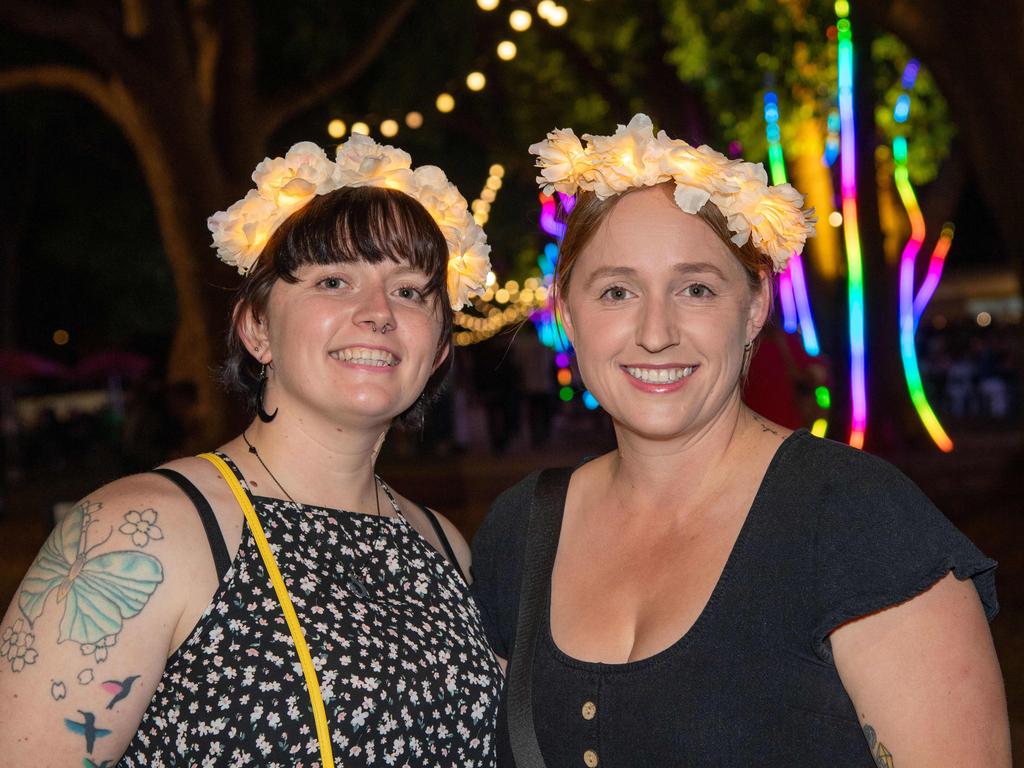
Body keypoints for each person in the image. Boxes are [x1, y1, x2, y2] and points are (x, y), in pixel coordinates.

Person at [470, 115, 1010, 767]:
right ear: (567, 312)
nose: (655, 331)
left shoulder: (858, 521)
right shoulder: (520, 532)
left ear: (754, 306)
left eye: (696, 288)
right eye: (616, 291)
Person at [0, 137, 501, 766]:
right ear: (256, 329)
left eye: (408, 291)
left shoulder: (443, 546)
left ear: (439, 350)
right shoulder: (139, 532)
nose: (377, 313)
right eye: (334, 280)